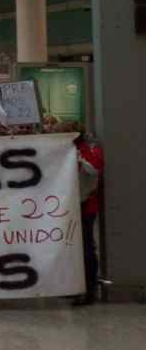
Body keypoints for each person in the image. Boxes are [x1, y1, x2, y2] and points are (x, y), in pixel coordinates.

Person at [69, 122, 104, 306]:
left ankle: (89, 289)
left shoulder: (88, 149)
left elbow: (95, 170)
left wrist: (79, 159)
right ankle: (77, 286)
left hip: (86, 205)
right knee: (76, 247)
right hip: (72, 205)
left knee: (86, 248)